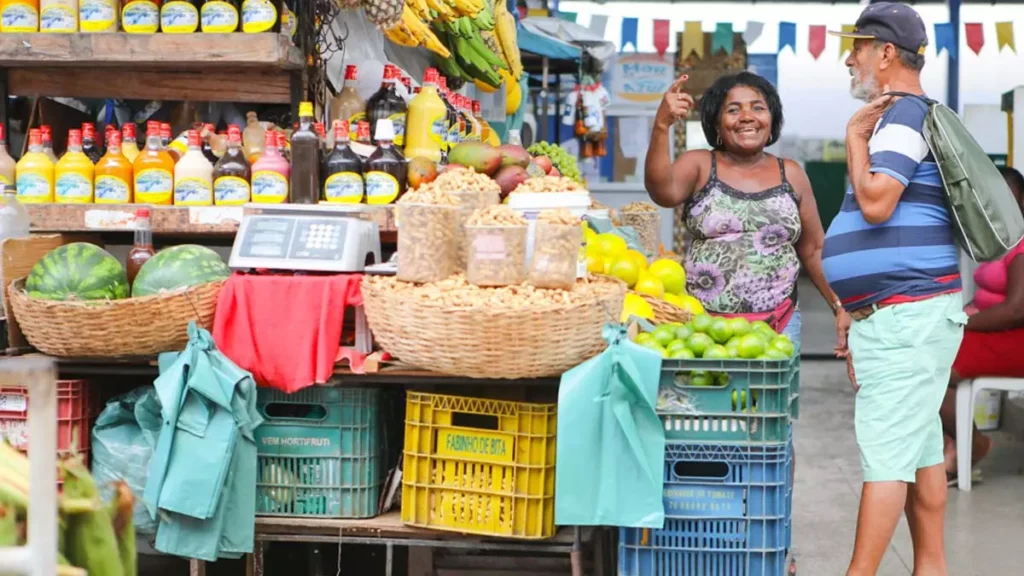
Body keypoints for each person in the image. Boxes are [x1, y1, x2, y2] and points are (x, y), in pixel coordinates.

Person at [827, 4, 966, 575]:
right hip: (903, 315)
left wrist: (854, 141)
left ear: (885, 53)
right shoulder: (904, 116)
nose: (849, 57)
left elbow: (877, 201)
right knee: (921, 453)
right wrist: (850, 307)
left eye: (857, 47)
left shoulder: (903, 115)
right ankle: (930, 567)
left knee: (886, 459)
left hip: (907, 316)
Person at [644, 71, 847, 345]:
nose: (747, 117)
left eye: (758, 108)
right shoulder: (700, 164)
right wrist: (661, 126)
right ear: (717, 124)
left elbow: (813, 249)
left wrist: (839, 306)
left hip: (780, 324)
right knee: (711, 390)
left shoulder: (792, 173)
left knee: (774, 389)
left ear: (771, 119)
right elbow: (662, 192)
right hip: (703, 326)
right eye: (733, 110)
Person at [939, 166, 1024, 478]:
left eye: (1007, 196)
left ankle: (970, 444)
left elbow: (1017, 309)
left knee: (930, 365)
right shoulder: (1001, 239)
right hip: (995, 332)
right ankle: (958, 443)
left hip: (1016, 338)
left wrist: (960, 323)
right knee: (925, 356)